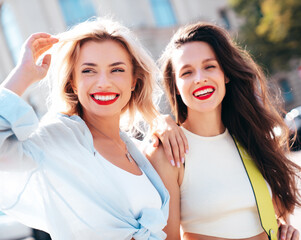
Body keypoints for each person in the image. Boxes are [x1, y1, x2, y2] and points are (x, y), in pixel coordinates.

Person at [0, 17, 186, 240]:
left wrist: (163, 122)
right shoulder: (58, 138)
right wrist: (23, 74)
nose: (103, 82)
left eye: (116, 70)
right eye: (89, 71)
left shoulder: (138, 151)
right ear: (73, 83)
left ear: (134, 81)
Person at [146, 22, 301, 240]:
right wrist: (159, 122)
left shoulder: (252, 138)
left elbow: (276, 214)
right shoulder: (168, 152)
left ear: (226, 74)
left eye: (209, 66)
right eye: (186, 72)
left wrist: (285, 231)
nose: (199, 78)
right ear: (175, 85)